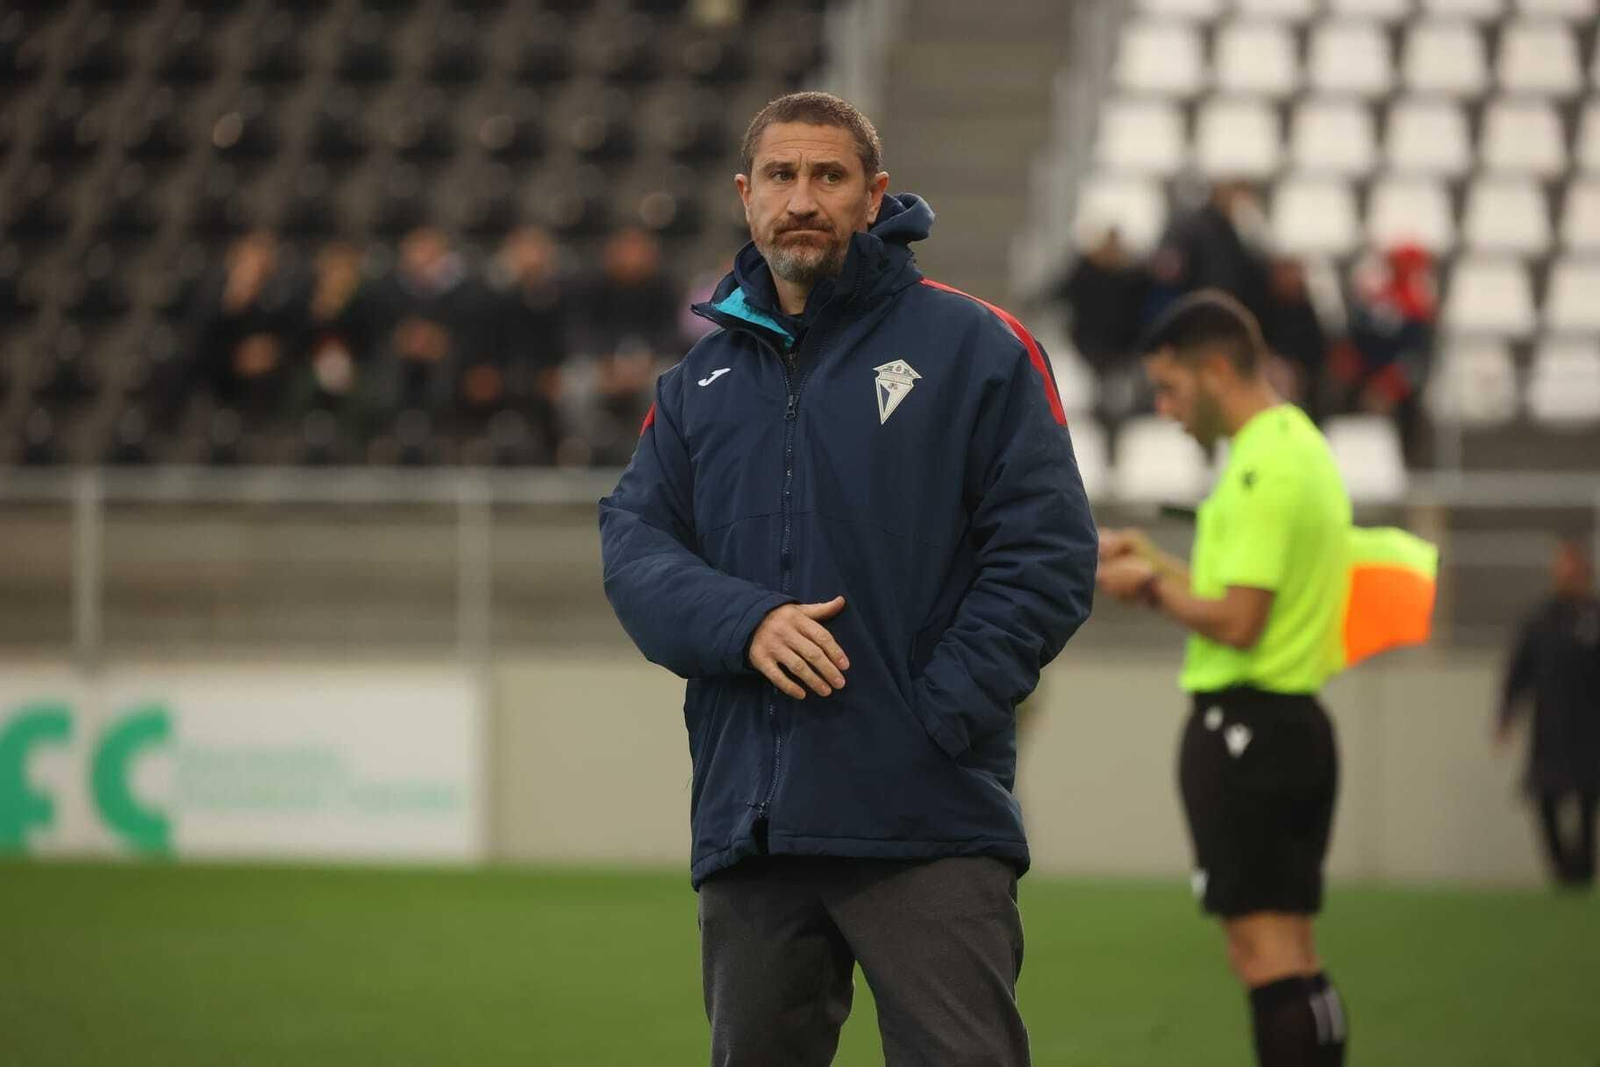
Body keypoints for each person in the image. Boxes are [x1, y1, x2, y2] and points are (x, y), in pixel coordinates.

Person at [598, 91, 1096, 1065]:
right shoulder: (700, 380)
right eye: (780, 176)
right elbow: (633, 545)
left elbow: (1047, 553)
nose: (802, 198)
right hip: (757, 823)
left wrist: (933, 713)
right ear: (746, 198)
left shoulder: (976, 347)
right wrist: (744, 622)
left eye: (828, 177)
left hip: (927, 813)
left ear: (873, 197)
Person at [1097, 291, 1351, 1066]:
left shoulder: (1260, 467)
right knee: (1294, 954)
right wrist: (1160, 562)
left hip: (1249, 731)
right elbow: (1245, 600)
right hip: (1288, 724)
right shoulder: (1292, 445)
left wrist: (1142, 586)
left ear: (1215, 369)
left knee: (1264, 956)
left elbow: (1238, 623)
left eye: (1172, 388)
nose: (1167, 409)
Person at [1496, 539, 1600, 890]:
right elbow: (1518, 671)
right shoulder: (1540, 620)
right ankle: (1562, 871)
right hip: (1550, 730)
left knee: (1587, 803)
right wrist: (1506, 716)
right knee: (1546, 800)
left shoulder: (1595, 616)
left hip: (1590, 730)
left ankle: (1583, 871)